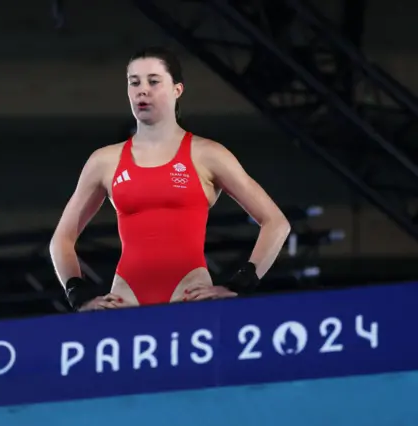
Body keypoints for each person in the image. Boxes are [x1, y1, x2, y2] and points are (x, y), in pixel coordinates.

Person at [49, 46, 291, 312]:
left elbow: (276, 222)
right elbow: (61, 239)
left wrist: (238, 285)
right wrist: (78, 295)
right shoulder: (104, 161)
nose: (142, 90)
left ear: (177, 90)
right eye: (134, 82)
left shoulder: (207, 154)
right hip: (125, 301)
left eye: (153, 81)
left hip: (189, 298)